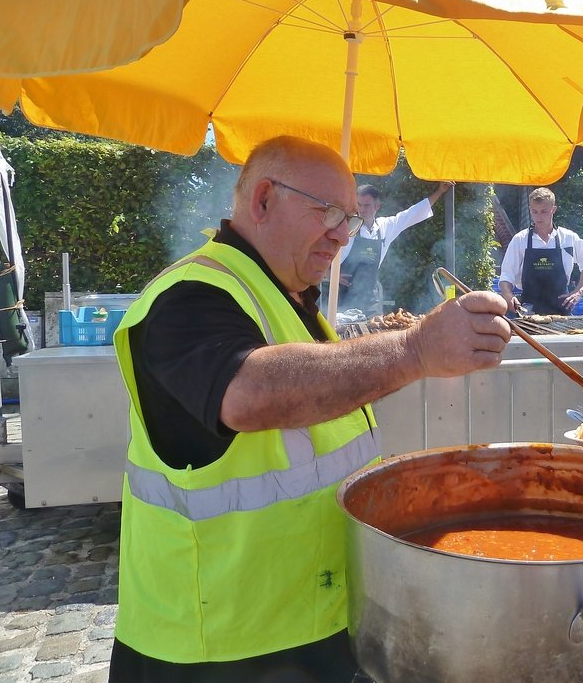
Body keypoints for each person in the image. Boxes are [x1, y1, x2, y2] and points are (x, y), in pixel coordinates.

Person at [107, 136, 510, 683]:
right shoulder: (188, 295)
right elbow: (247, 394)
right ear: (263, 200)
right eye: (328, 212)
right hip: (216, 652)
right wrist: (415, 350)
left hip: (313, 628)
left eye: (349, 218)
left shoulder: (289, 296)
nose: (343, 234)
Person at [337, 180, 454, 317]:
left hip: (371, 300)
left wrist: (439, 192)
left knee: (374, 329)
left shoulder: (385, 226)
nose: (362, 210)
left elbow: (411, 214)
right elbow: (326, 248)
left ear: (377, 206)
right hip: (344, 296)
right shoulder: (347, 227)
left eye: (367, 205)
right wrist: (329, 274)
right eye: (359, 205)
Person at [498, 187, 583, 316]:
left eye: (544, 211)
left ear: (553, 210)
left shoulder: (569, 238)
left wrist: (579, 291)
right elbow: (506, 275)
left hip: (561, 311)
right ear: (530, 210)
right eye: (535, 212)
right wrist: (507, 294)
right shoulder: (520, 240)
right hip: (528, 311)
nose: (539, 217)